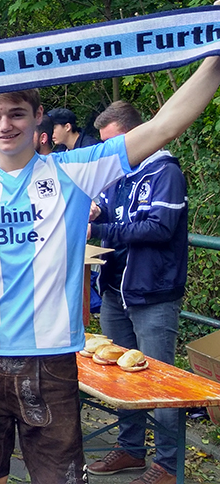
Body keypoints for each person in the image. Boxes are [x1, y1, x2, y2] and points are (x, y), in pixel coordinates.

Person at [0, 38, 220, 483]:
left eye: (16, 114)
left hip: (50, 361)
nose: (4, 125)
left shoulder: (75, 170)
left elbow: (163, 127)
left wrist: (214, 58)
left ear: (37, 118)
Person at [86, 101, 188, 484]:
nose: (113, 154)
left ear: (136, 134)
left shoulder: (165, 171)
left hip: (153, 292)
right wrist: (96, 212)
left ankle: (167, 462)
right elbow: (110, 211)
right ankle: (130, 450)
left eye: (116, 144)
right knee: (119, 377)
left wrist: (99, 231)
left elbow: (159, 228)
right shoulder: (121, 172)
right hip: (115, 288)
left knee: (159, 381)